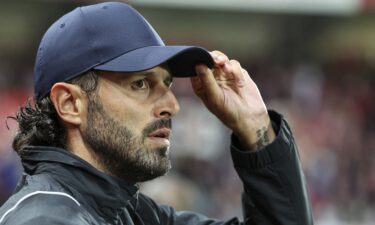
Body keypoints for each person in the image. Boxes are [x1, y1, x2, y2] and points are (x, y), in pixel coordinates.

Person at [0, 2, 313, 225]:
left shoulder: (130, 213)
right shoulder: (46, 218)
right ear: (70, 104)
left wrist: (256, 128)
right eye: (139, 84)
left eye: (166, 84)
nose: (172, 106)